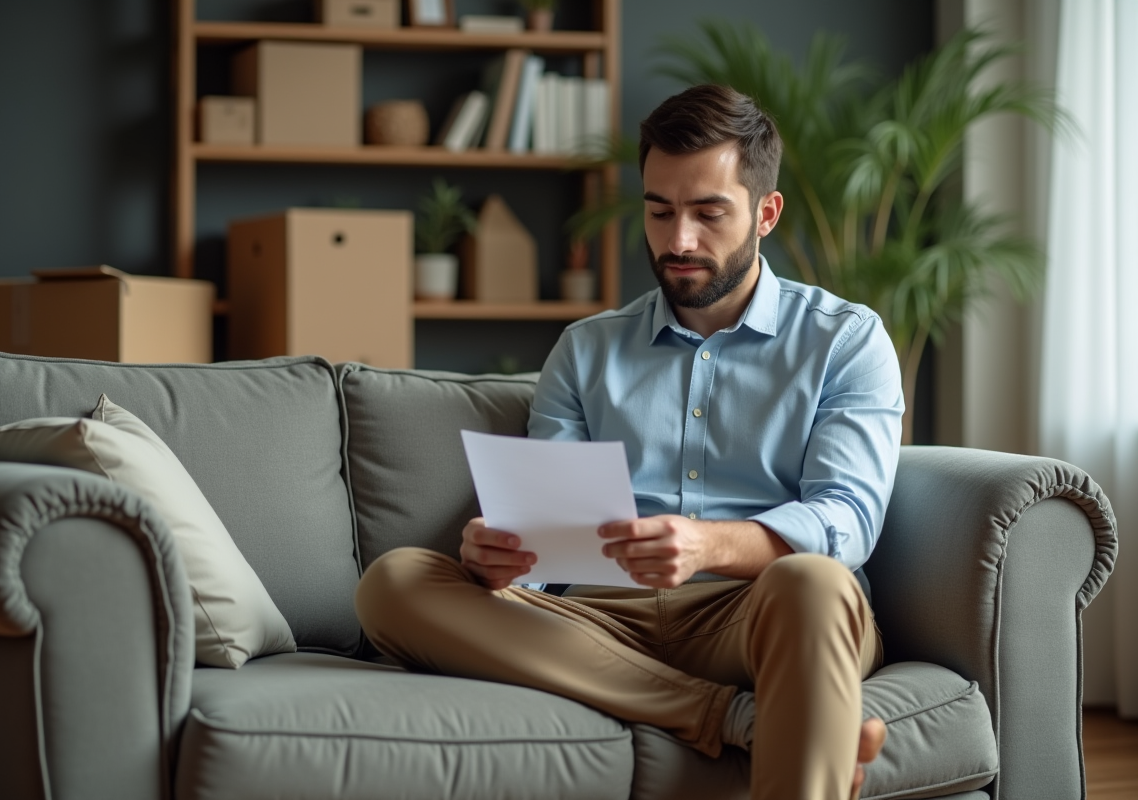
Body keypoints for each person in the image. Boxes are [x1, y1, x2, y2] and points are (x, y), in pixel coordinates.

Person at [355, 84, 905, 800]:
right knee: (395, 582)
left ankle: (752, 711)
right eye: (659, 210)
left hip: (757, 611)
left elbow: (846, 521)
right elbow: (547, 538)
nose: (678, 241)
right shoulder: (585, 350)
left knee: (815, 582)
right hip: (595, 618)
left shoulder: (844, 339)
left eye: (709, 213)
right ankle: (738, 719)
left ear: (766, 214)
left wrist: (707, 545)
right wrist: (506, 559)